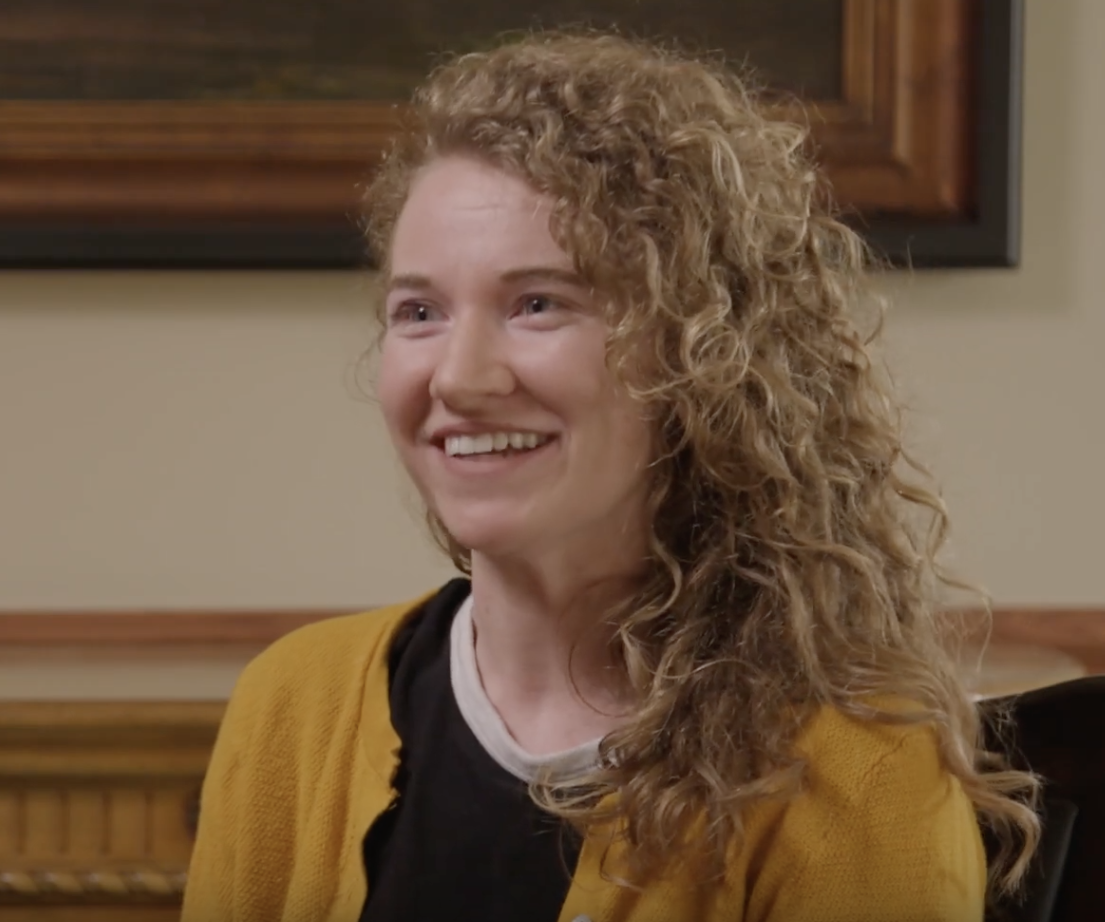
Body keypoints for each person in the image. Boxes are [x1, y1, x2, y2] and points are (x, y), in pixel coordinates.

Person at [181, 31, 1041, 922]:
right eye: (419, 310)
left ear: (706, 357)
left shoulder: (858, 770)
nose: (458, 377)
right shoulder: (293, 705)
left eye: (539, 303)